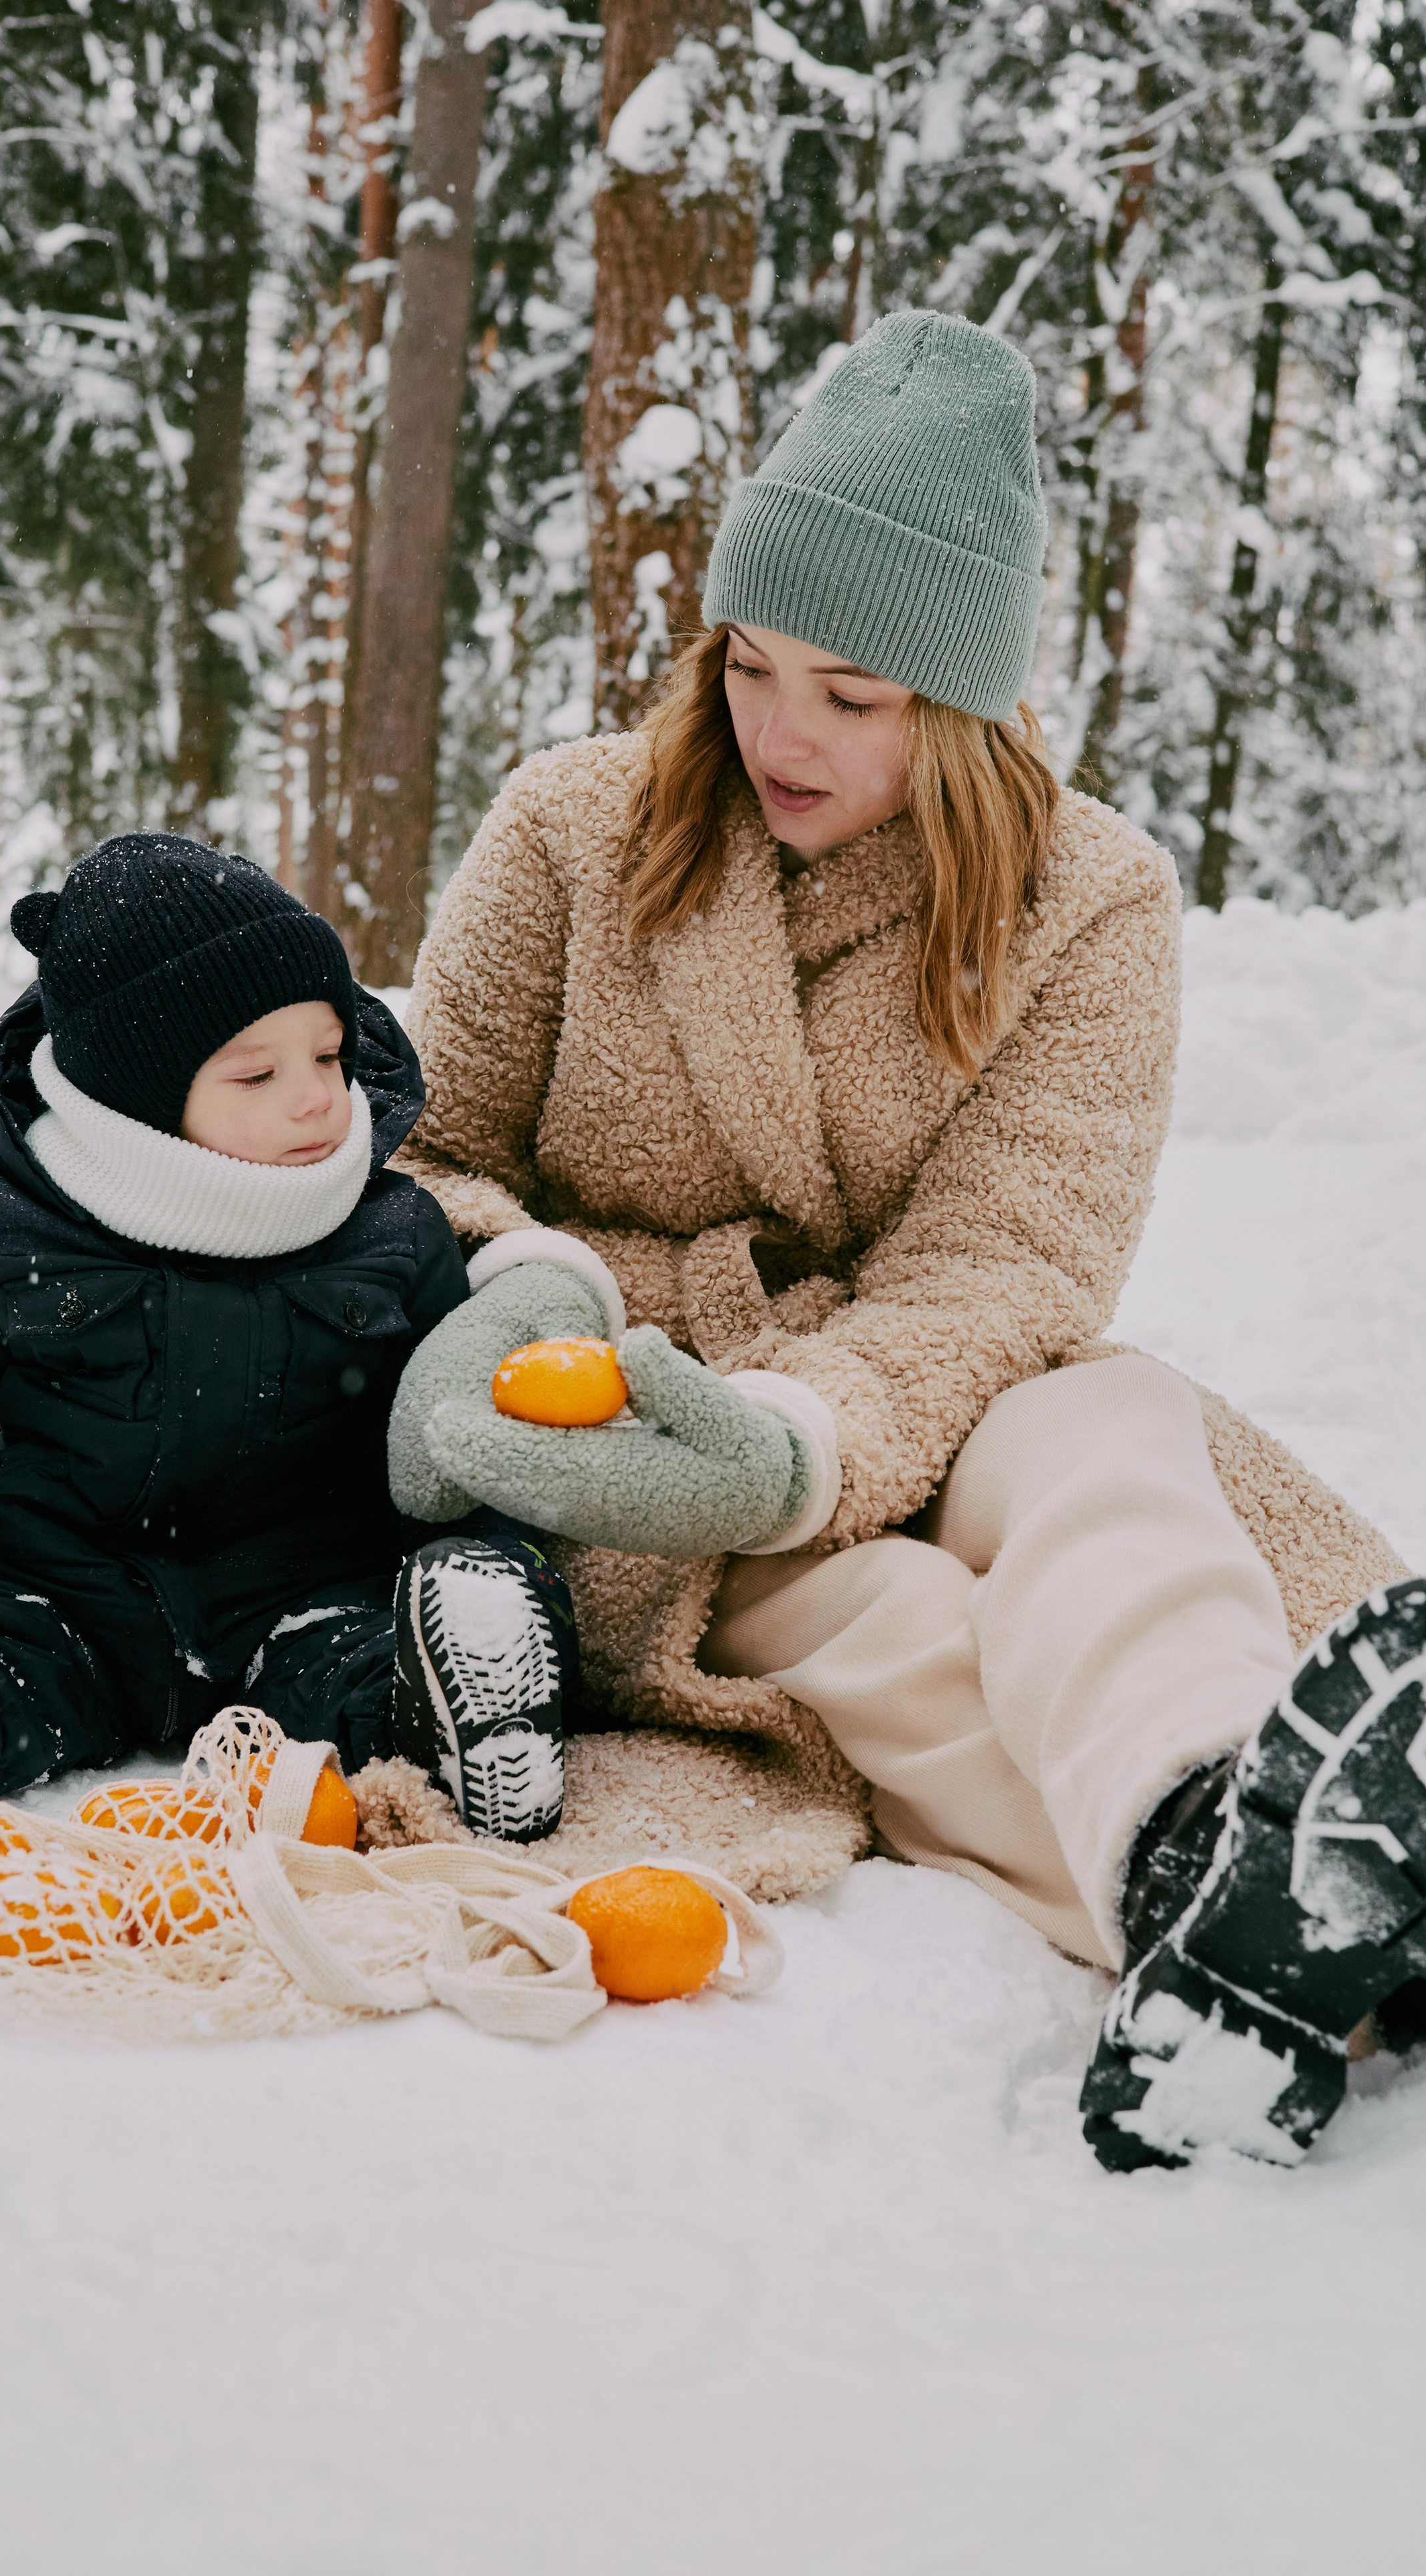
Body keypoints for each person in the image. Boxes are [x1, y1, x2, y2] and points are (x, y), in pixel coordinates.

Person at [383, 310, 1426, 2172]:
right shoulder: (570, 831)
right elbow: (421, 1153)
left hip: (913, 1389)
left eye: (854, 696)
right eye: (751, 664)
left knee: (1107, 1435)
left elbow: (1011, 1269)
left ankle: (1223, 1803)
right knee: (893, 1635)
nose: (781, 730)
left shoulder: (1087, 905)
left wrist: (811, 1441)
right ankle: (1263, 1924)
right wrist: (524, 1287)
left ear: (966, 707)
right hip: (621, 1423)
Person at [0, 836, 575, 1851]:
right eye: (256, 1074)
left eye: (331, 1055)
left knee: (361, 1677)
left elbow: (453, 1443)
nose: (316, 1099)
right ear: (138, 1100)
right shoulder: (3, 1226)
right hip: (57, 1592)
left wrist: (487, 1569)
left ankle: (464, 1720)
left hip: (298, 1595)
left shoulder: (388, 1234)